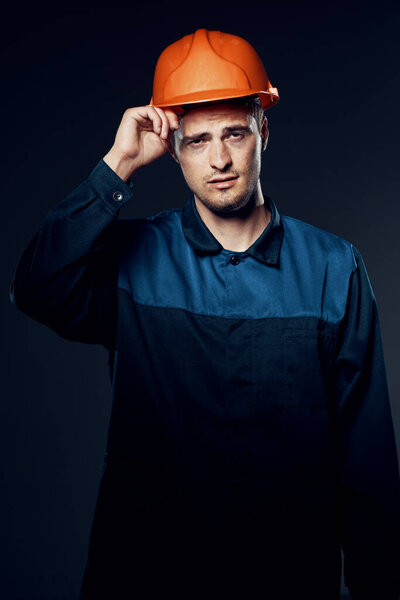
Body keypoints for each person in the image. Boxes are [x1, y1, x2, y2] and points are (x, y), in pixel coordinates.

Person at [9, 28, 400, 600]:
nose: (218, 158)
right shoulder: (133, 259)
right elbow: (37, 288)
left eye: (235, 134)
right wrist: (116, 166)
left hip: (288, 582)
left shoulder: (333, 269)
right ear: (174, 147)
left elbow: (367, 467)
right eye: (197, 141)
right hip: (145, 580)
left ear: (263, 132)